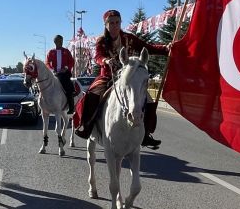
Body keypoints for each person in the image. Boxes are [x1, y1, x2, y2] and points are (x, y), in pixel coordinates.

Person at [74, 9, 168, 148]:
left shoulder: (129, 38)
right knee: (92, 96)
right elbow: (97, 56)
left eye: (117, 22)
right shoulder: (101, 40)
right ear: (106, 25)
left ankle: (145, 134)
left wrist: (165, 49)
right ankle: (87, 127)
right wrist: (105, 61)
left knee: (148, 100)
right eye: (111, 23)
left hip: (128, 77)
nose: (114, 26)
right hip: (108, 76)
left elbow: (148, 47)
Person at [46, 34, 76, 112]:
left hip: (64, 73)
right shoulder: (51, 52)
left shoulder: (66, 51)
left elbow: (71, 62)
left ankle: (71, 107)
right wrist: (52, 69)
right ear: (55, 42)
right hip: (54, 74)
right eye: (59, 41)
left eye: (62, 41)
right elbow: (47, 63)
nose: (61, 42)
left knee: (68, 88)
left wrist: (66, 68)